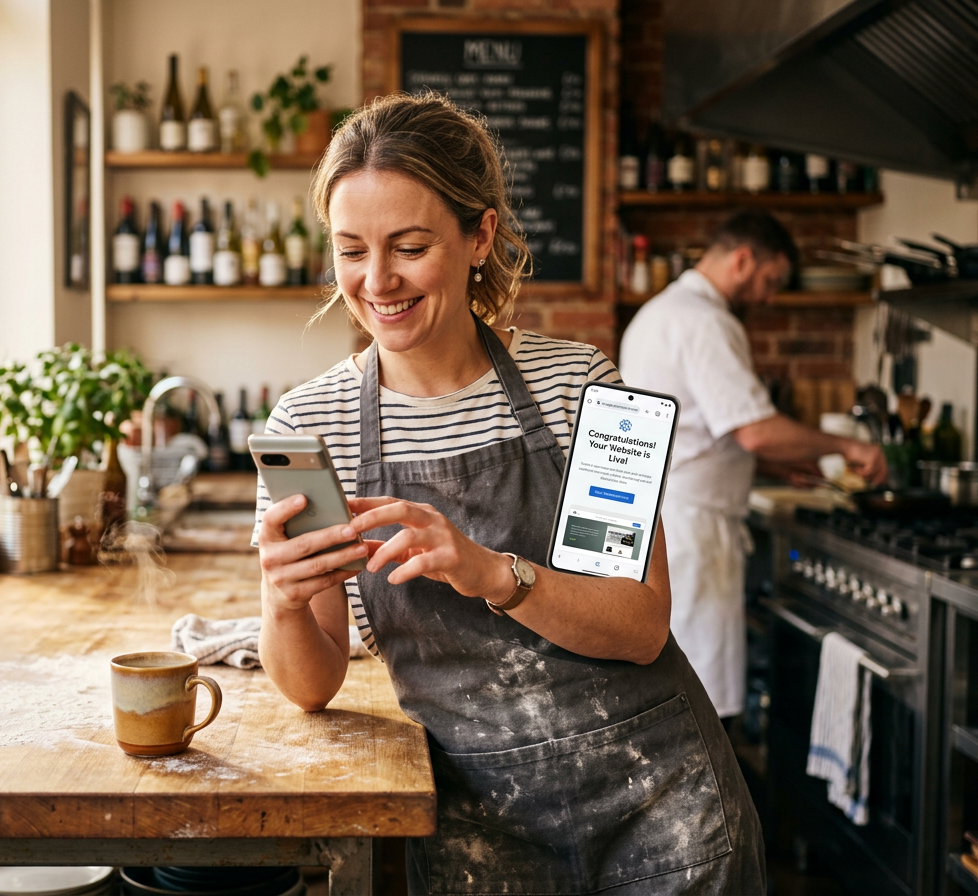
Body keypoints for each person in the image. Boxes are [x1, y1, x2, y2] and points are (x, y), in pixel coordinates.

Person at [252, 93, 764, 894]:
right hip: (479, 831)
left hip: (662, 812)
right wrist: (281, 601)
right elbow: (314, 684)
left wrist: (494, 572)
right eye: (351, 250)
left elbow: (638, 625)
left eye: (410, 246)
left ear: (479, 235)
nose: (377, 280)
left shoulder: (579, 385)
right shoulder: (311, 428)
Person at [619, 211, 886, 721]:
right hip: (695, 534)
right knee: (701, 704)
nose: (769, 298)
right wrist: (848, 448)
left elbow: (702, 427)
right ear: (743, 260)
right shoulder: (708, 322)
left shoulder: (658, 312)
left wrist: (777, 467)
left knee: (673, 692)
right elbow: (755, 428)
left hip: (665, 519)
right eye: (770, 281)